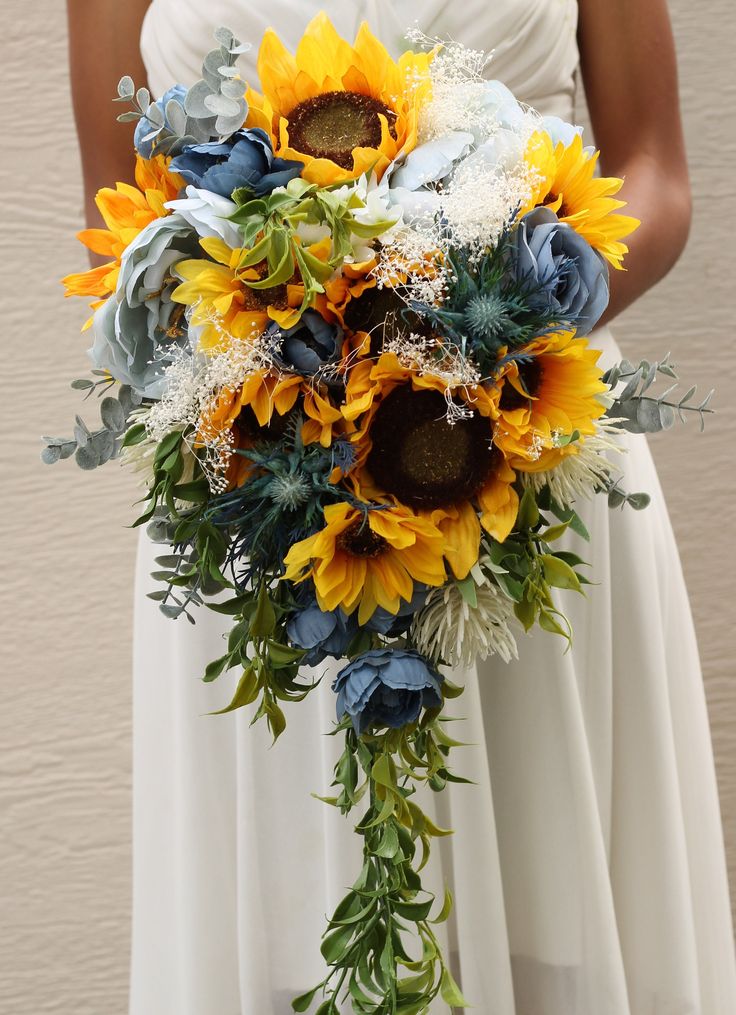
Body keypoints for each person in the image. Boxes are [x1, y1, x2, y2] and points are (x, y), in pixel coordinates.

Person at [67, 2, 736, 1013]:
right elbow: (125, 217)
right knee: (290, 917)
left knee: (558, 903)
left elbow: (655, 172)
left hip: (530, 452)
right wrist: (294, 363)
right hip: (264, 478)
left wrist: (493, 338)